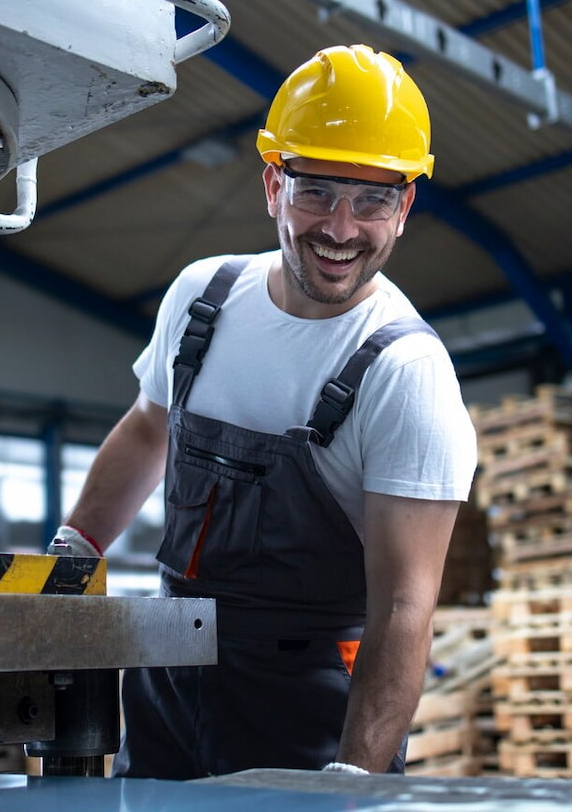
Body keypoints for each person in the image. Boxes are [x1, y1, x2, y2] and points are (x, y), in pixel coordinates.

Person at [53, 44, 478, 778]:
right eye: (316, 192)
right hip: (166, 676)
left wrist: (354, 779)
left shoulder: (406, 373)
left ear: (404, 207)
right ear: (273, 185)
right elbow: (150, 429)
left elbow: (404, 607)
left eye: (371, 199)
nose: (342, 229)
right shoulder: (201, 300)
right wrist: (73, 548)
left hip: (306, 710)